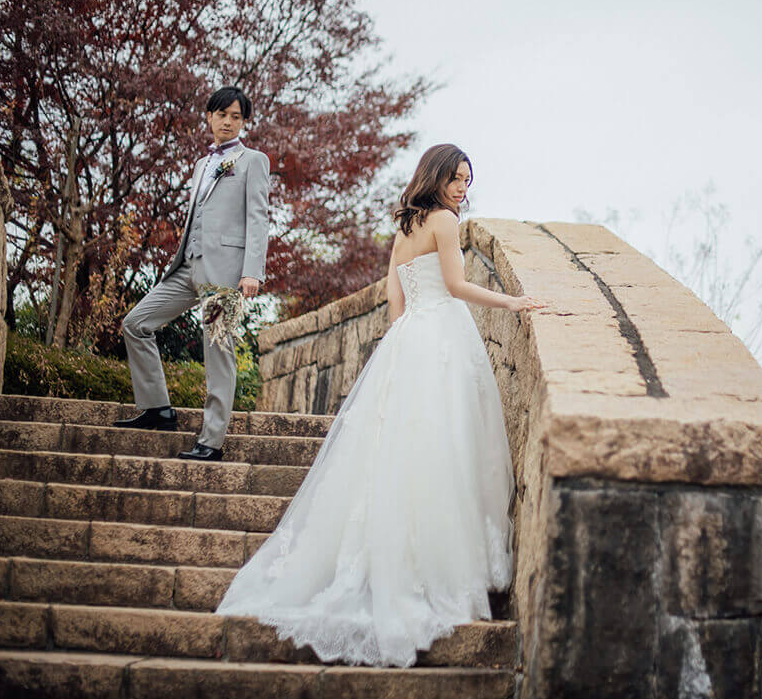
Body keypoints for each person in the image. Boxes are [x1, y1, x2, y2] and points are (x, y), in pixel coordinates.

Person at [216, 143, 545, 667]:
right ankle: (434, 569)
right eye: (457, 177)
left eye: (468, 179)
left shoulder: (407, 223)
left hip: (411, 334)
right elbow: (457, 286)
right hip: (441, 335)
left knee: (397, 450)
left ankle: (394, 560)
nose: (463, 187)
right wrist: (511, 300)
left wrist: (400, 332)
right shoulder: (442, 222)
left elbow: (395, 286)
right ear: (436, 177)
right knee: (444, 447)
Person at [114, 86, 270, 461]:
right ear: (209, 117)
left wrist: (252, 272)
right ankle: (156, 409)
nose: (228, 122)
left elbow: (258, 217)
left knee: (218, 351)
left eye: (236, 116)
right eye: (222, 115)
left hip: (226, 275)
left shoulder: (253, 161)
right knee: (135, 323)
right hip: (188, 266)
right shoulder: (202, 164)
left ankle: (211, 441)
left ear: (244, 121)